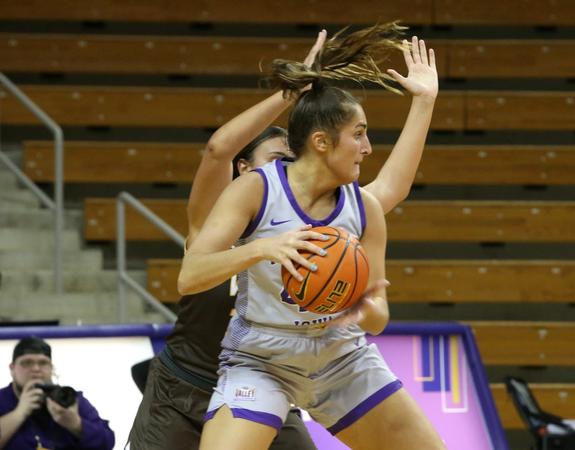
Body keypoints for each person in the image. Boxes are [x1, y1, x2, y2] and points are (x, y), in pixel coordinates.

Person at [128, 24, 438, 450]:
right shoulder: (249, 194)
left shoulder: (360, 207)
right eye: (360, 133)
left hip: (340, 356)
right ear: (321, 142)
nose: (367, 147)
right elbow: (190, 269)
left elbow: (379, 310)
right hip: (248, 363)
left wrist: (361, 307)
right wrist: (261, 248)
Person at [0, 337, 115, 450]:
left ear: (51, 368)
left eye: (43, 363)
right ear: (12, 368)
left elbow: (107, 442)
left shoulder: (68, 398)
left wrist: (76, 424)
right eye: (27, 363)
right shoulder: (2, 400)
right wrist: (20, 412)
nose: (36, 368)